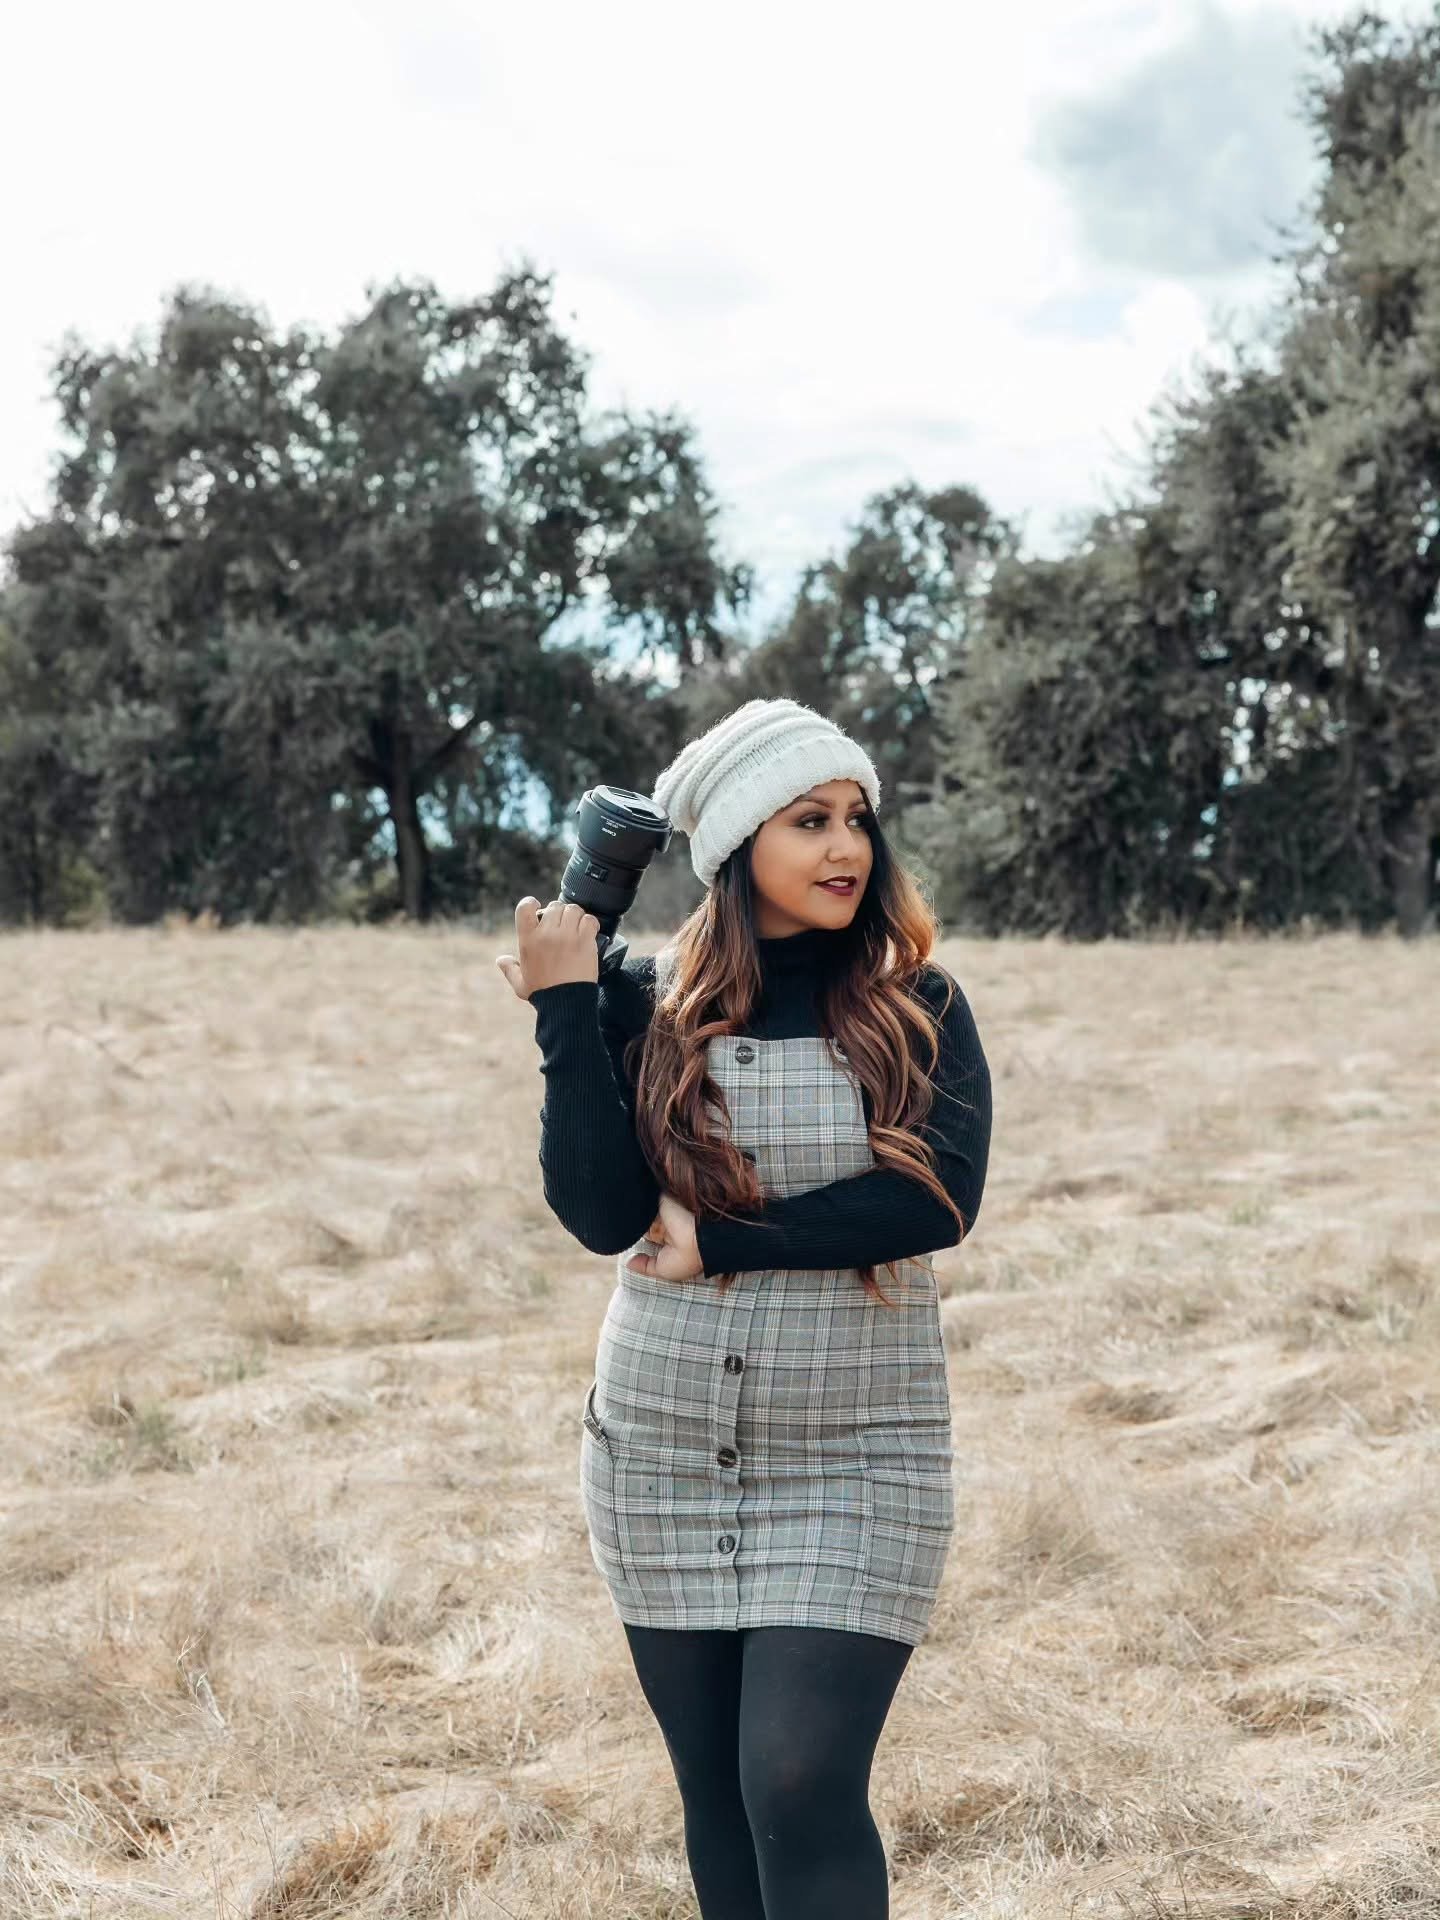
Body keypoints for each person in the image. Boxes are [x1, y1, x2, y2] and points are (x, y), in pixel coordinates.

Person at [495, 697, 993, 1919]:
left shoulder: (918, 1006)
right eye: (809, 820)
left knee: (798, 1778)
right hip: (659, 1448)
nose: (847, 848)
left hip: (858, 1452)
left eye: (858, 819)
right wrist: (569, 1012)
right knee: (717, 1799)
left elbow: (929, 1205)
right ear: (730, 848)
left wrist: (718, 1240)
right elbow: (606, 1218)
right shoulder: (647, 1003)